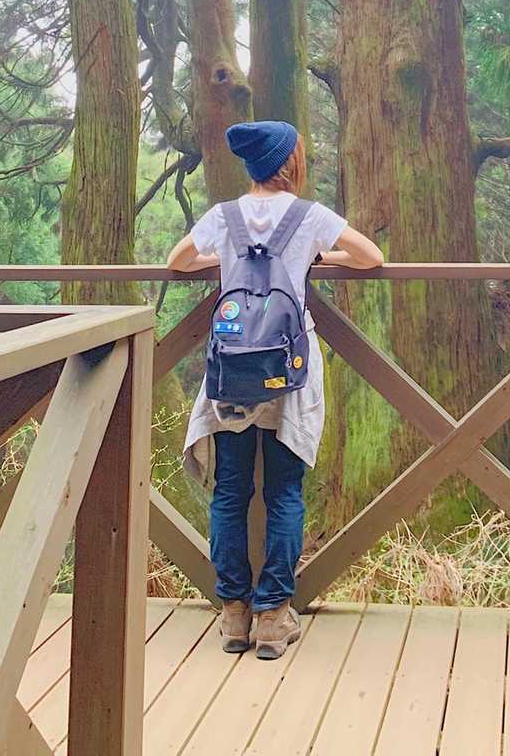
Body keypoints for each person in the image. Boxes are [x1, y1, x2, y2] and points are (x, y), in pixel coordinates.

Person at [167, 120, 383, 659]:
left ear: (252, 167)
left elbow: (178, 260)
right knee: (284, 491)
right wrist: (315, 257)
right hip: (289, 369)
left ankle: (233, 613)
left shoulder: (225, 216)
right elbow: (370, 256)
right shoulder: (309, 216)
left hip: (233, 370)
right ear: (292, 163)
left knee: (230, 490)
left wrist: (225, 259)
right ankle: (272, 616)